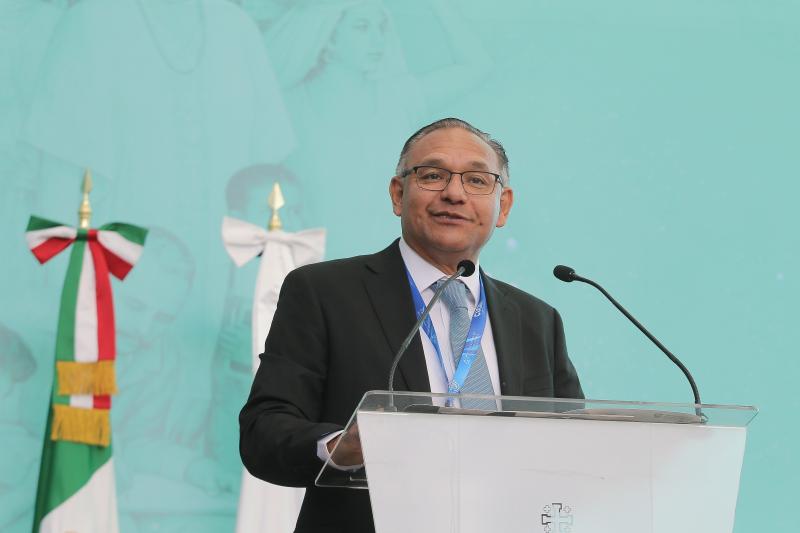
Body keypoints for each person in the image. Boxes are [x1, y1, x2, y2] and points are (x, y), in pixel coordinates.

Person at [239, 117, 583, 533]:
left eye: (477, 180)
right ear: (398, 194)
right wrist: (341, 446)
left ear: (503, 206)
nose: (454, 193)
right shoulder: (324, 292)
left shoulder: (537, 319)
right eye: (433, 175)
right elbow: (264, 432)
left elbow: (576, 447)